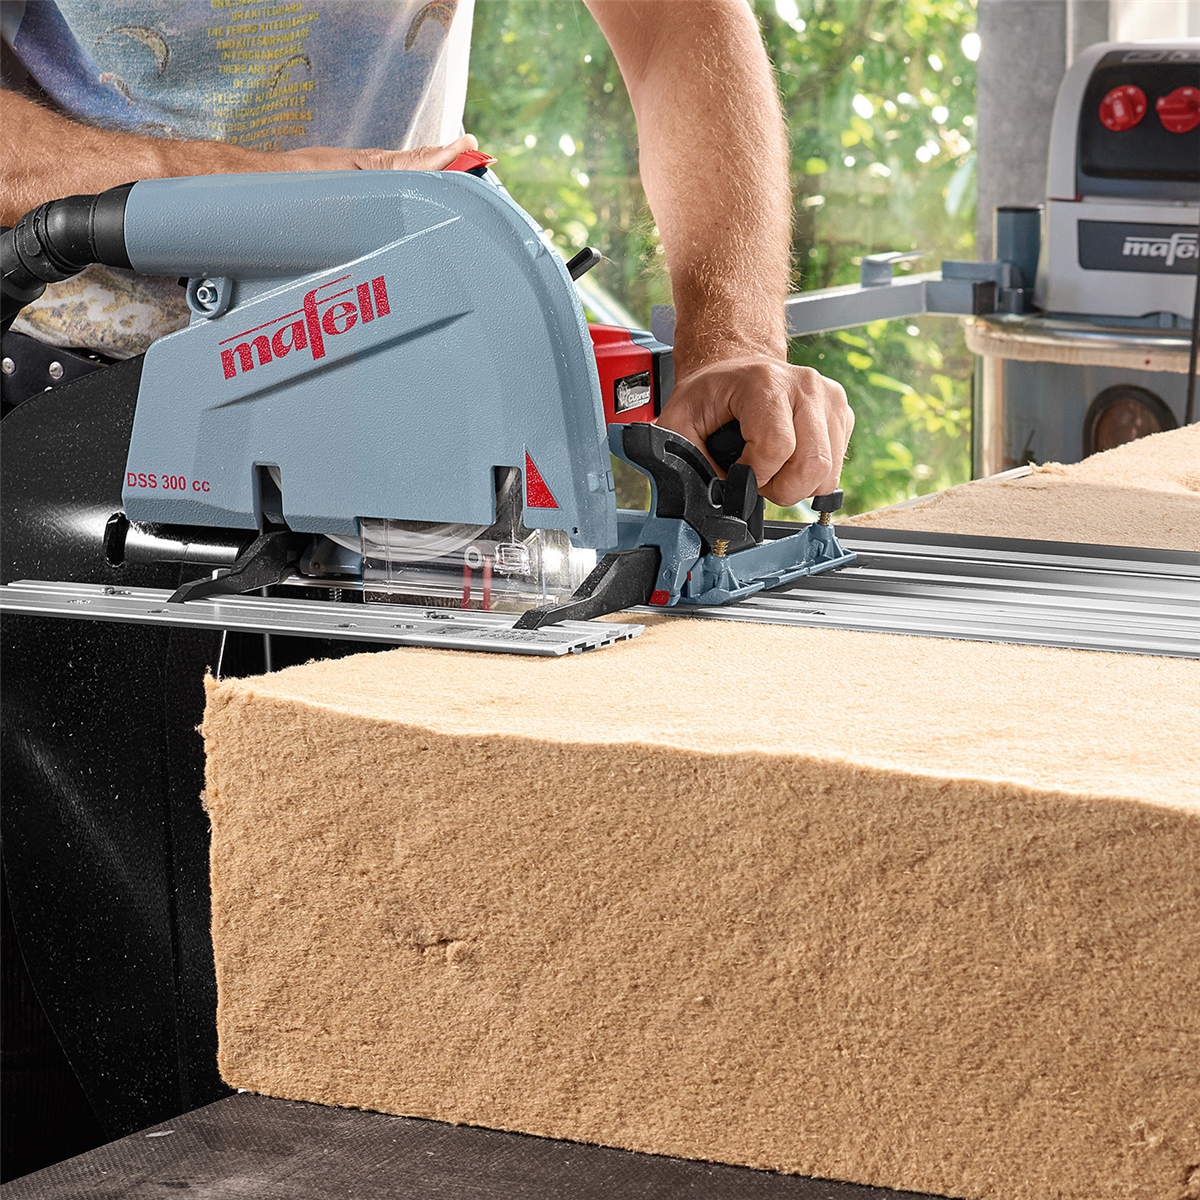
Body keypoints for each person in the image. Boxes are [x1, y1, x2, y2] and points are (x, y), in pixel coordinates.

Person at [0, 0, 851, 506]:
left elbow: (676, 23)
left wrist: (731, 340)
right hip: (61, 390)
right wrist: (261, 196)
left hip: (392, 372)